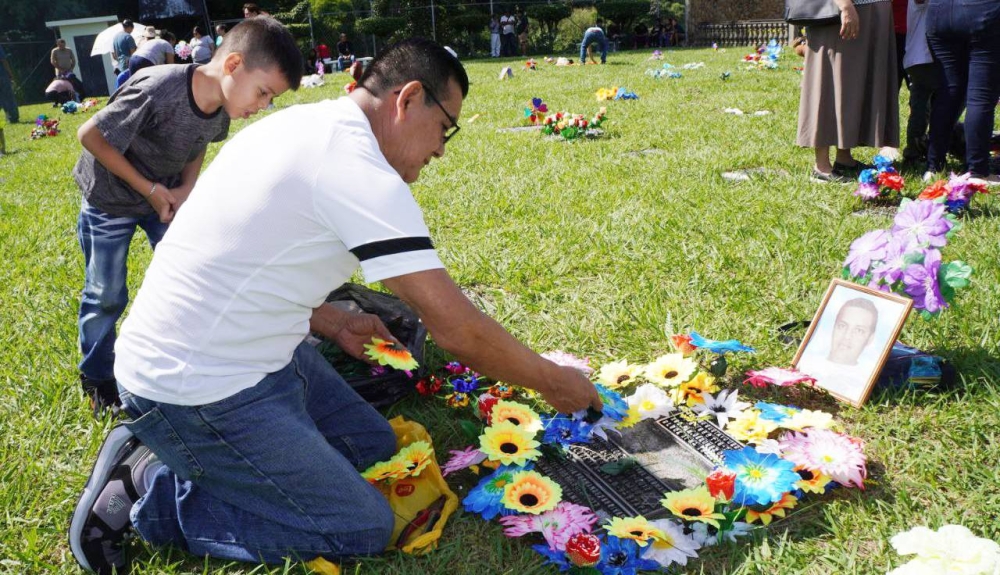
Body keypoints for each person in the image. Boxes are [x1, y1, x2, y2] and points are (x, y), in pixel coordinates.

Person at [70, 37, 601, 574]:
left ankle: (194, 456)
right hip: (194, 386)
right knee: (358, 525)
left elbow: (243, 260)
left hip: (249, 355)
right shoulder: (359, 169)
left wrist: (334, 322)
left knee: (373, 447)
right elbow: (456, 329)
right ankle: (150, 495)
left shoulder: (307, 125)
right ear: (408, 98)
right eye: (445, 127)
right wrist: (554, 382)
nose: (442, 148)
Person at [67, 16, 301, 426]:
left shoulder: (223, 109)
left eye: (271, 99)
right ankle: (98, 377)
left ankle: (190, 358)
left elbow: (197, 146)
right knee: (105, 293)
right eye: (263, 92)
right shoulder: (160, 88)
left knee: (195, 271)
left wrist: (184, 191)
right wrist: (150, 189)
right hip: (110, 199)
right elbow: (90, 134)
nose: (263, 106)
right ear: (232, 66)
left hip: (162, 196)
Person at [796, 0, 899, 182]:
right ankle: (822, 165)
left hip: (867, 12)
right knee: (828, 83)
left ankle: (844, 158)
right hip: (838, 15)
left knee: (850, 86)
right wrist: (844, 5)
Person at [923, 0, 1000, 185]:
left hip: (939, 12)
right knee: (980, 95)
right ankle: (978, 170)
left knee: (948, 92)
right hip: (984, 11)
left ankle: (934, 167)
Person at [797, 298, 880, 398]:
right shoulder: (803, 364)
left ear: (870, 338)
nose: (847, 336)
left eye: (859, 330)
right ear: (833, 327)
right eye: (842, 326)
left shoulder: (864, 382)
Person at [901, 0, 936, 164]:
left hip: (929, 56)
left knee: (934, 105)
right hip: (922, 56)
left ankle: (927, 146)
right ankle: (914, 151)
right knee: (922, 106)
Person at [0, 44, 19, 124]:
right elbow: (3, 60)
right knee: (8, 96)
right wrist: (10, 73)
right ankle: (13, 117)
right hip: (2, 75)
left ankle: (8, 116)